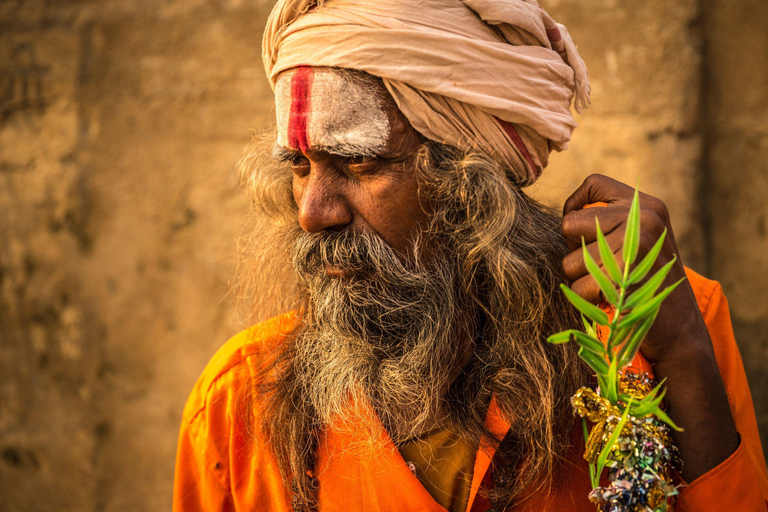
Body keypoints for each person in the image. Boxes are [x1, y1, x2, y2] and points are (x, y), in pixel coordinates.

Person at [172, 0, 768, 510]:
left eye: (360, 162)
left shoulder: (660, 326)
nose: (313, 211)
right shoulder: (236, 403)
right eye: (300, 166)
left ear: (472, 181)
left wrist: (683, 352)